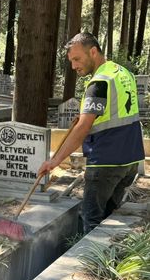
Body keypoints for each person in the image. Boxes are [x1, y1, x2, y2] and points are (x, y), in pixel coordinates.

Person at [38, 32, 144, 233]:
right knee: (109, 216)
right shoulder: (122, 72)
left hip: (106, 160)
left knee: (92, 219)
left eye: (77, 59)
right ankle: (108, 261)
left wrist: (55, 161)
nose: (73, 66)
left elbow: (83, 128)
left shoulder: (99, 82)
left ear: (93, 51)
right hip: (130, 158)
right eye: (71, 61)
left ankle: (89, 263)